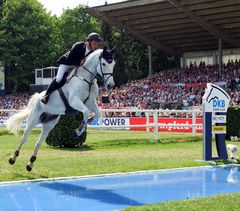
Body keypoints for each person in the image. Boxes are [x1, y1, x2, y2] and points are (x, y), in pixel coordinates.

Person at [41, 32, 102, 104]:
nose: (96, 45)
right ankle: (46, 95)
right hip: (66, 63)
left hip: (77, 66)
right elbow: (69, 59)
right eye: (94, 43)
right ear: (89, 41)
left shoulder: (93, 51)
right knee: (59, 78)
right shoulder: (78, 46)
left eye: (97, 44)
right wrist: (79, 62)